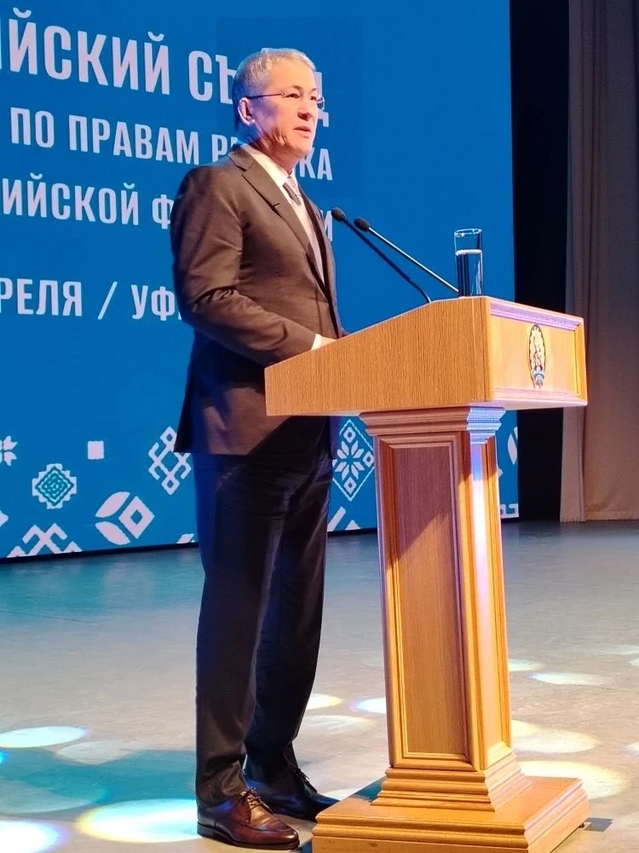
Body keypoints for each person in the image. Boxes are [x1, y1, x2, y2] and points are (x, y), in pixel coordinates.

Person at [170, 47, 343, 848]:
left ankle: (272, 762)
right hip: (243, 430)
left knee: (295, 617)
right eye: (292, 96)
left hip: (307, 432)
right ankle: (219, 789)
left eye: (316, 97)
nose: (310, 110)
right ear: (248, 109)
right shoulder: (218, 185)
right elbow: (206, 296)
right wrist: (312, 350)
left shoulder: (306, 202)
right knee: (239, 612)